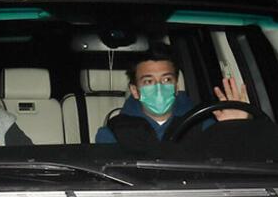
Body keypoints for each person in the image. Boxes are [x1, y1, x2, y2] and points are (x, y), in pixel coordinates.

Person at [95, 43, 249, 145]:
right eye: (148, 81)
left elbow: (234, 167)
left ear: (176, 86)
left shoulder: (205, 126)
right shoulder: (113, 134)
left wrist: (236, 129)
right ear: (135, 90)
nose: (159, 88)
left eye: (166, 79)